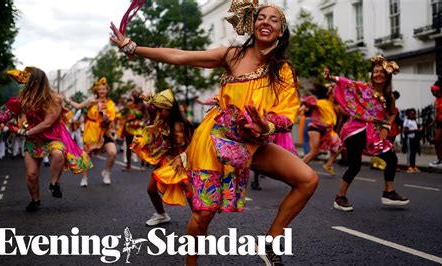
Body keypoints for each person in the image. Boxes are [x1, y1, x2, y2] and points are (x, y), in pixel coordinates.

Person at [110, 2, 318, 265]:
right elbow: (179, 55)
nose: (266, 22)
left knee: (308, 180)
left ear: (280, 31)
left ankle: (270, 243)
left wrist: (267, 126)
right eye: (261, 18)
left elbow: (287, 111)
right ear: (253, 26)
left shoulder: (283, 71)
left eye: (274, 20)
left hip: (252, 140)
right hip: (215, 139)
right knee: (204, 213)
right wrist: (133, 47)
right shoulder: (233, 55)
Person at [0, 67, 92, 212]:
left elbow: (47, 123)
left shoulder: (55, 99)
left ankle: (54, 184)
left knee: (58, 154)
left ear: (37, 82)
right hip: (34, 139)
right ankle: (35, 201)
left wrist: (27, 132)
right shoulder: (24, 99)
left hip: (52, 137)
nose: (25, 84)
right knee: (31, 175)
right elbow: (7, 113)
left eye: (28, 81)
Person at [324, 55, 409, 212]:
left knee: (391, 157)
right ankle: (340, 197)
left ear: (387, 75)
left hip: (374, 133)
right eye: (375, 71)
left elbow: (392, 113)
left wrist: (387, 127)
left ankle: (388, 192)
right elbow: (347, 83)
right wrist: (331, 77)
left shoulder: (389, 96)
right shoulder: (363, 89)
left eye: (381, 72)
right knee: (355, 166)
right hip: (354, 130)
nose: (377, 74)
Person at [131, 89, 193, 226]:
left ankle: (198, 218)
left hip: (180, 161)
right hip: (164, 160)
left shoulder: (182, 124)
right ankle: (161, 214)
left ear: (170, 109)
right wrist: (140, 142)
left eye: (161, 110)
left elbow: (192, 145)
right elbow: (153, 140)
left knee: (187, 186)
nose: (158, 113)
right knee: (151, 190)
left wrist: (181, 158)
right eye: (157, 110)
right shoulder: (160, 121)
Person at [64, 77, 117, 186]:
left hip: (104, 131)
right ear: (96, 90)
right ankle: (84, 178)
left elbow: (110, 119)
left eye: (104, 89)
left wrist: (103, 113)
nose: (102, 91)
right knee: (87, 155)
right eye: (100, 89)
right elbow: (78, 106)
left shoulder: (110, 103)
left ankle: (107, 172)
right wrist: (66, 99)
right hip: (91, 130)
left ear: (107, 90)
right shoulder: (91, 100)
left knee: (113, 153)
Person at [301, 83, 342, 176]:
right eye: (333, 92)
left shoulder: (332, 105)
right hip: (316, 128)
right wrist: (304, 102)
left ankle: (328, 164)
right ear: (329, 94)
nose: (335, 94)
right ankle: (299, 168)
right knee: (314, 152)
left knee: (340, 145)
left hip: (327, 130)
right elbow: (309, 102)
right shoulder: (322, 102)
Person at [122, 89, 149, 171]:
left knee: (141, 146)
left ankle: (142, 165)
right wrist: (128, 119)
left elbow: (147, 116)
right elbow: (124, 114)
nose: (135, 95)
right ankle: (128, 165)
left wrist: (143, 121)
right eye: (133, 94)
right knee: (129, 146)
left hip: (139, 129)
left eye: (136, 94)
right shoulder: (130, 105)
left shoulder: (143, 106)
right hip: (130, 128)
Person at [403, 108, 421, 173]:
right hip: (409, 139)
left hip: (415, 139)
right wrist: (415, 130)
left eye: (414, 114)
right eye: (411, 114)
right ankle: (409, 166)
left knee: (414, 153)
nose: (413, 115)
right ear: (408, 114)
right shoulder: (407, 121)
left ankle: (413, 165)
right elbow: (405, 130)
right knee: (410, 153)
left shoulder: (414, 121)